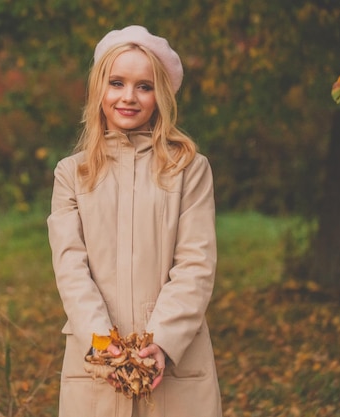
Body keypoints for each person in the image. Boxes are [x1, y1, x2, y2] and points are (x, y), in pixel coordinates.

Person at [47, 25, 222, 417]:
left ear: (160, 96)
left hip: (175, 363)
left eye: (144, 86)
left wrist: (160, 341)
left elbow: (196, 264)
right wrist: (100, 339)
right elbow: (70, 267)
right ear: (99, 90)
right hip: (95, 365)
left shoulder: (188, 169)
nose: (128, 96)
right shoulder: (72, 174)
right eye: (117, 83)